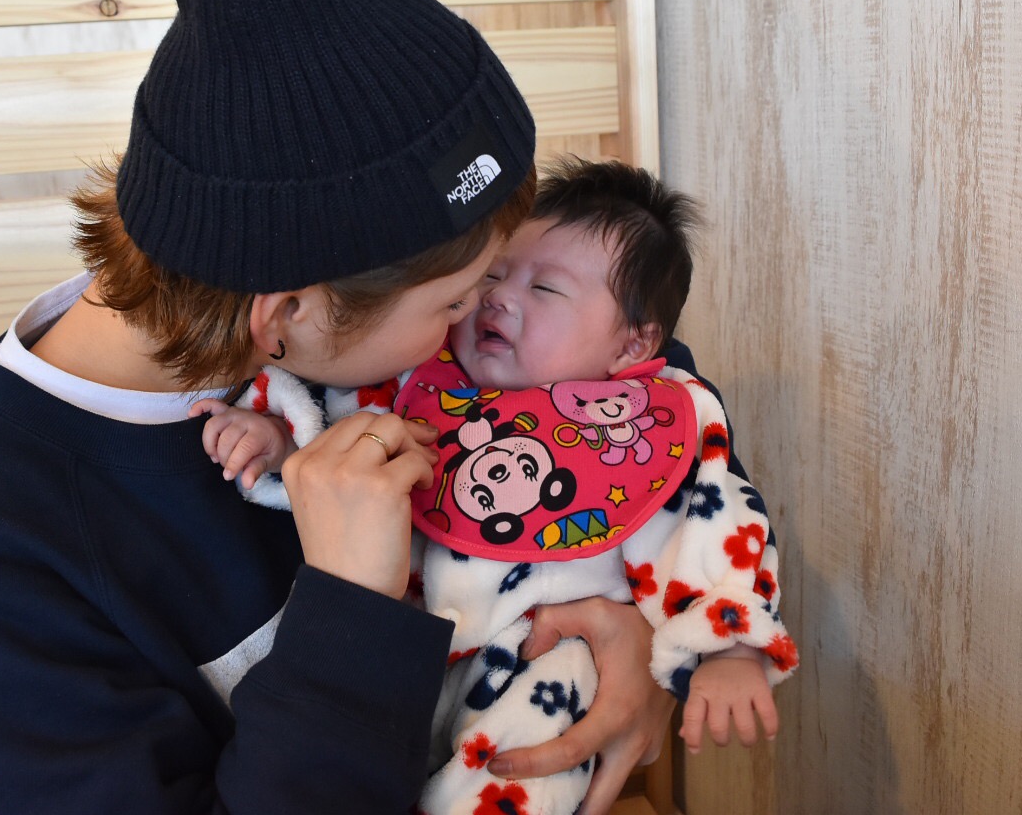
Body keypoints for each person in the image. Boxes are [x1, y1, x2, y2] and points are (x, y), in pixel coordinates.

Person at [0, 0, 674, 815]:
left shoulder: (332, 332)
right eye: (454, 304)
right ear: (286, 317)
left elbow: (621, 378)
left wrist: (639, 629)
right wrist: (348, 612)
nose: (483, 322)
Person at [199, 156, 799, 815]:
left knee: (527, 759)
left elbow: (717, 522)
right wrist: (279, 439)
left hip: (544, 654)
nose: (498, 297)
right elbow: (344, 444)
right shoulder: (421, 376)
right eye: (491, 273)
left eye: (545, 289)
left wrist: (731, 649)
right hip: (406, 655)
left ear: (633, 346)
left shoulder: (647, 424)